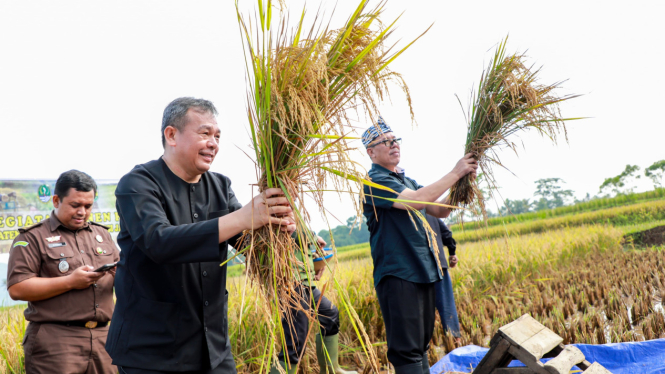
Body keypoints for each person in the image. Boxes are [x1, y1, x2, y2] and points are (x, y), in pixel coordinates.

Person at [105, 97, 296, 374]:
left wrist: (278, 231)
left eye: (217, 136)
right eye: (205, 133)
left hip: (213, 349)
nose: (213, 143)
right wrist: (243, 217)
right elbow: (159, 241)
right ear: (171, 135)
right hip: (151, 352)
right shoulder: (137, 183)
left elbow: (246, 245)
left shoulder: (220, 185)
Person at [361, 116, 477, 374]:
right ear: (371, 152)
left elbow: (439, 209)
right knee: (407, 350)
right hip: (399, 274)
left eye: (395, 140)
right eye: (385, 142)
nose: (393, 145)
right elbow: (415, 201)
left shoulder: (407, 181)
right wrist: (455, 171)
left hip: (422, 271)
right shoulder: (374, 182)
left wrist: (463, 184)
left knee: (421, 346)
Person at [7, 170, 119, 374]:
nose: (82, 212)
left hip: (105, 339)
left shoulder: (102, 234)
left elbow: (121, 276)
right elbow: (17, 288)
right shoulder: (33, 238)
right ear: (56, 200)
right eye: (75, 205)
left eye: (88, 206)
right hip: (57, 342)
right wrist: (70, 282)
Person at [270, 231, 357, 374]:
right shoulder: (273, 209)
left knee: (330, 315)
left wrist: (313, 265)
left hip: (303, 279)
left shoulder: (295, 210)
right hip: (288, 281)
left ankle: (331, 370)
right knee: (296, 339)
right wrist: (313, 238)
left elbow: (297, 242)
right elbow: (282, 231)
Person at [425, 215, 462, 343]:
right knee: (446, 305)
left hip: (417, 268)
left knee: (422, 308)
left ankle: (427, 345)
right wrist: (452, 252)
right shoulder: (429, 209)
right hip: (438, 263)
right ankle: (455, 340)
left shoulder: (405, 208)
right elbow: (446, 233)